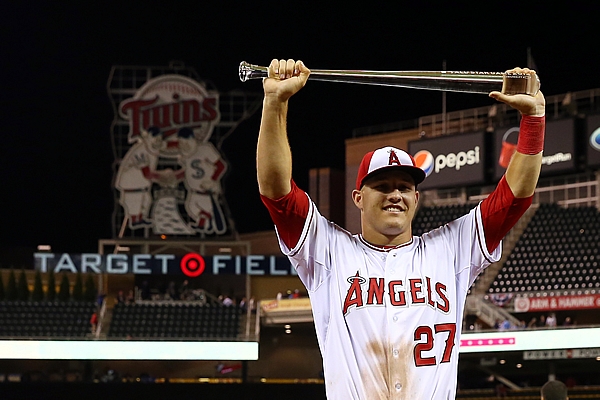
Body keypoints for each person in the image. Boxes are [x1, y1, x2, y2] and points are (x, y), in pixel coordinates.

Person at [257, 58, 545, 399]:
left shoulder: (451, 248)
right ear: (358, 197)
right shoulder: (329, 250)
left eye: (404, 187)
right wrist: (275, 102)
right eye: (383, 186)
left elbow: (514, 199)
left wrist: (533, 121)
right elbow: (277, 192)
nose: (395, 195)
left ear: (416, 197)